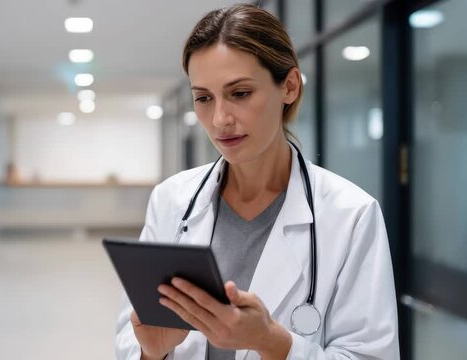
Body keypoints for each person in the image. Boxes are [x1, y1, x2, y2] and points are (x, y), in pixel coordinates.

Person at [116, 4, 399, 359]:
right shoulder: (172, 201)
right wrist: (151, 353)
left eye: (240, 93)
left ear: (290, 87)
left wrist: (273, 343)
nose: (220, 119)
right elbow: (132, 333)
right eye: (203, 98)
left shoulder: (351, 215)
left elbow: (370, 354)